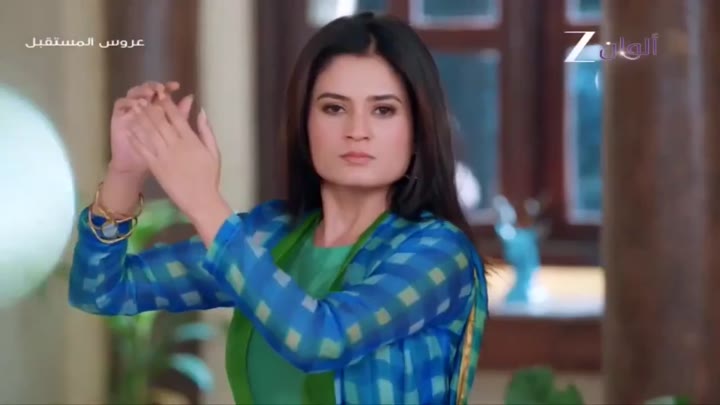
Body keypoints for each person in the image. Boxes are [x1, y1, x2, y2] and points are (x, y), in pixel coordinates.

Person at [69, 11, 488, 405]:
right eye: (334, 108)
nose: (357, 131)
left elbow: (321, 340)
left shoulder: (439, 252)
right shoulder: (270, 236)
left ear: (417, 129)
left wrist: (204, 202)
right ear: (304, 123)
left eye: (383, 110)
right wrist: (125, 173)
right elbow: (101, 291)